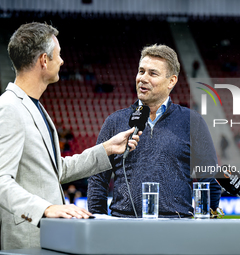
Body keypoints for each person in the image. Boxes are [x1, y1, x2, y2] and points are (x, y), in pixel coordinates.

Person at [0, 22, 141, 250]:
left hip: (46, 236)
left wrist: (106, 149)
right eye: (59, 55)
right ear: (44, 61)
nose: (63, 61)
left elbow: (57, 170)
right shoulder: (9, 108)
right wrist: (45, 208)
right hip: (26, 239)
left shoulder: (34, 107)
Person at [88, 44, 221, 218]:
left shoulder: (192, 121)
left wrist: (205, 222)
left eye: (153, 73)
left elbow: (209, 182)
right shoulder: (114, 121)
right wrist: (98, 222)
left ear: (171, 81)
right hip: (123, 227)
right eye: (141, 71)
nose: (143, 78)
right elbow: (97, 179)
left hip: (176, 228)